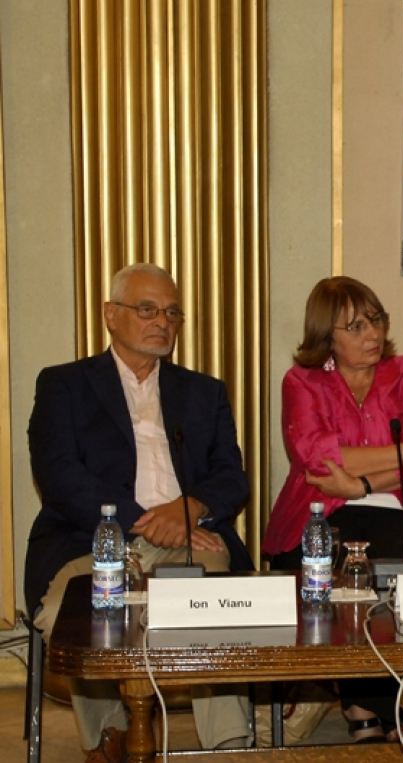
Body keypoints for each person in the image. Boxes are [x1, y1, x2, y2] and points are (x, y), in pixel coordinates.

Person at [26, 263, 254, 763]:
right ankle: (110, 737)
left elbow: (231, 476)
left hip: (192, 539)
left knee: (213, 602)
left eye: (172, 313)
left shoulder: (204, 391)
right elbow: (59, 473)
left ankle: (229, 746)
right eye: (147, 309)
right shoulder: (65, 384)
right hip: (90, 538)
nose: (161, 322)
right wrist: (145, 522)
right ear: (111, 314)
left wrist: (189, 508)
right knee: (79, 611)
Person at [262, 276, 403, 741]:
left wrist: (360, 483)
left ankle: (363, 707)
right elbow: (316, 459)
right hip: (320, 515)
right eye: (355, 327)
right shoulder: (301, 381)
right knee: (345, 575)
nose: (371, 334)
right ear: (326, 336)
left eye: (376, 320)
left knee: (395, 567)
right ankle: (376, 707)